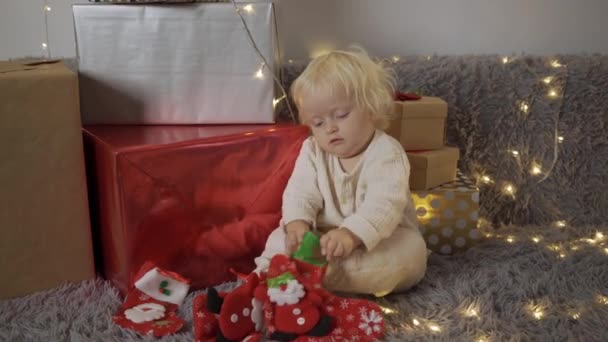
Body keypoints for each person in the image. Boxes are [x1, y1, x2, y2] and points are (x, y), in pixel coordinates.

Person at [254, 47, 427, 296]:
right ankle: (263, 279)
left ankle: (304, 276)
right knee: (278, 239)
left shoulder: (386, 152)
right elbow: (299, 191)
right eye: (318, 123)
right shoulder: (313, 150)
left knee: (412, 255)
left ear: (371, 108)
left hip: (378, 240)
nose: (330, 128)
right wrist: (298, 224)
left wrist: (350, 234)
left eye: (341, 115)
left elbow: (384, 205)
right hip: (323, 241)